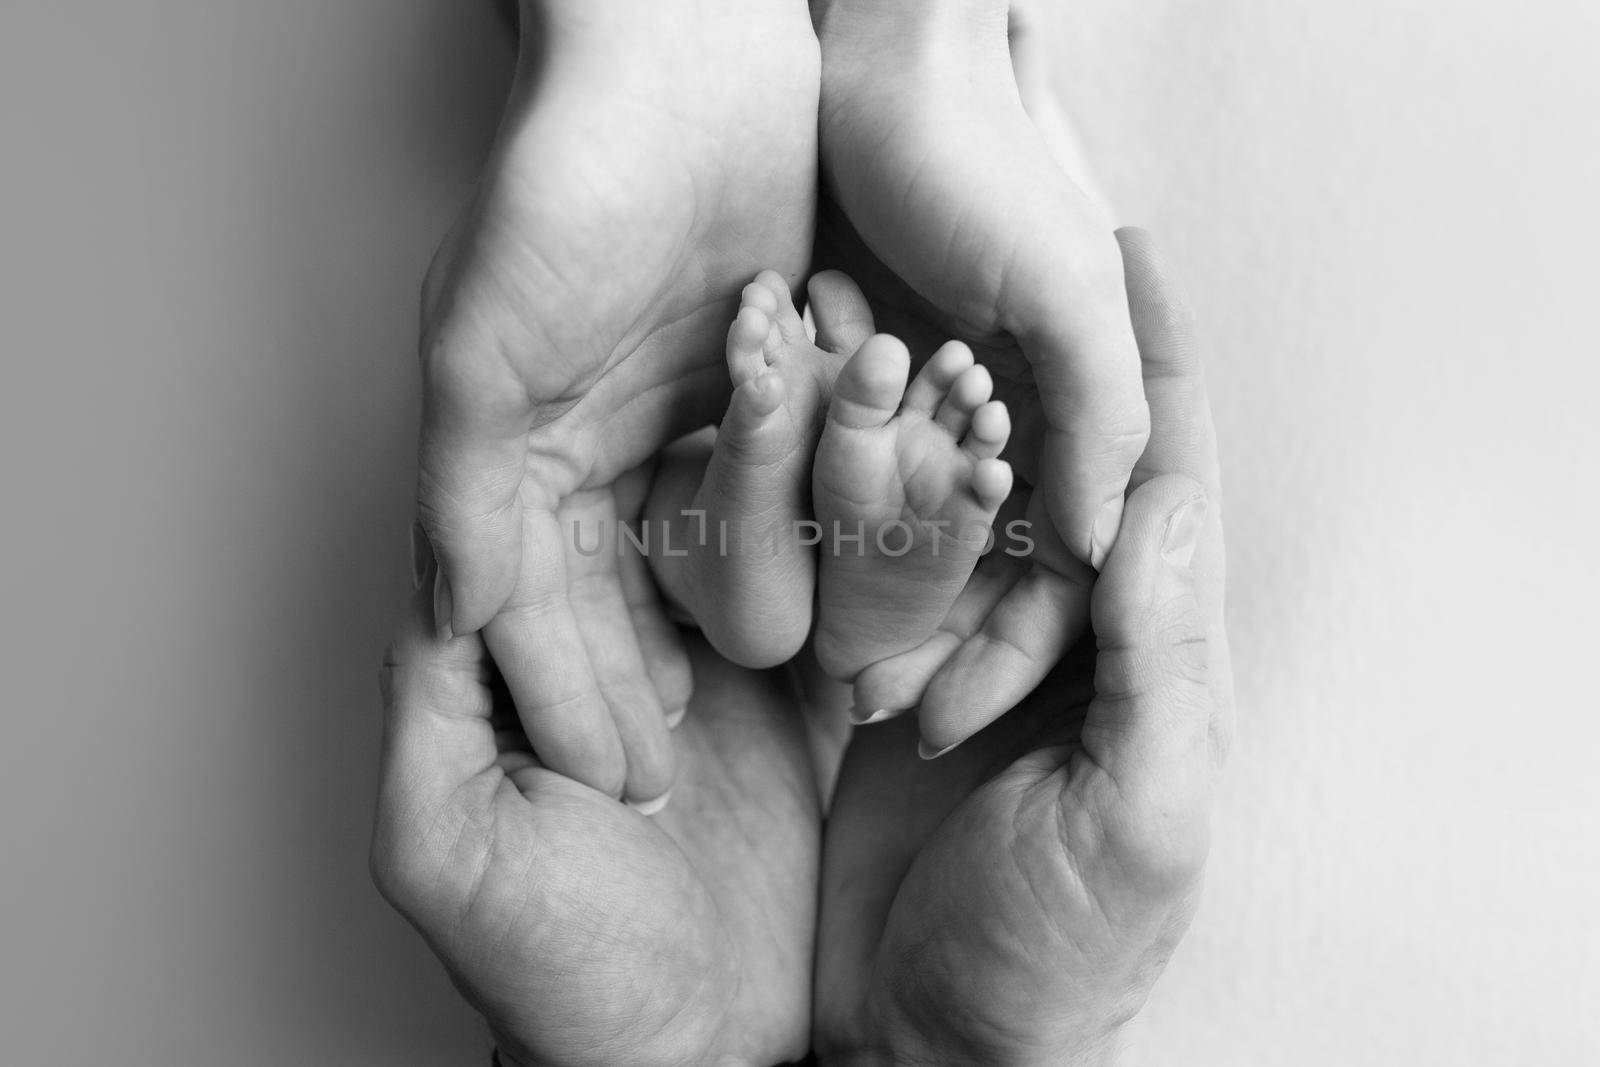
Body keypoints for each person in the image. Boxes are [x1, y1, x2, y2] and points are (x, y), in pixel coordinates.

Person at [373, 225, 1231, 1064]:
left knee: (648, 527)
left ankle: (763, 546)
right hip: (854, 610)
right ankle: (806, 560)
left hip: (672, 530)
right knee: (662, 529)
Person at [415, 0, 1155, 804]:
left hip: (924, 189)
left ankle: (756, 503)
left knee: (657, 498)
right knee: (673, 479)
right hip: (955, 198)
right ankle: (804, 523)